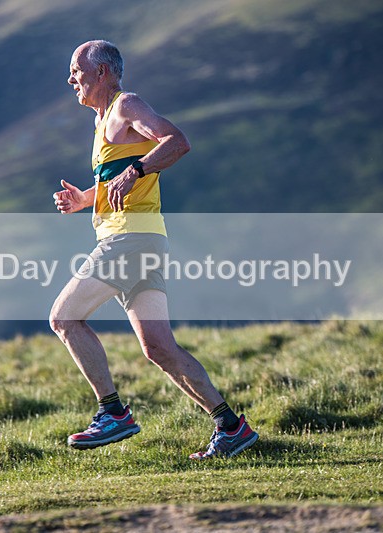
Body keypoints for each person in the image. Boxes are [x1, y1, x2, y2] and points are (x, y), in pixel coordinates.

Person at [50, 40, 258, 459]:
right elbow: (122, 182)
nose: (71, 78)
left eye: (77, 70)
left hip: (128, 240)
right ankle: (231, 427)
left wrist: (138, 167)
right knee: (159, 348)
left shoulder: (127, 105)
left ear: (102, 72)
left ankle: (112, 413)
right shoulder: (103, 121)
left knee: (64, 318)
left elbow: (177, 141)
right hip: (144, 239)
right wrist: (86, 199)